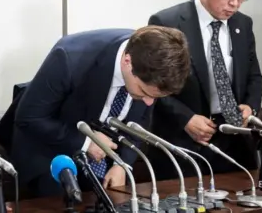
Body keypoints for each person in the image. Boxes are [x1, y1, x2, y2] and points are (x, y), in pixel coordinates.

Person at [10, 26, 191, 198]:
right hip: (50, 153)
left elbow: (138, 124)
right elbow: (29, 118)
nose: (149, 102)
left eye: (155, 97)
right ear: (128, 62)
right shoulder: (69, 58)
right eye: (144, 92)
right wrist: (86, 143)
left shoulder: (151, 62)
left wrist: (123, 164)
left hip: (103, 159)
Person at [147, 0, 262, 180]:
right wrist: (186, 118)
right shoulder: (167, 22)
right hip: (183, 141)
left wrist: (249, 107)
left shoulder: (243, 24)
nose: (234, 3)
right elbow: (150, 85)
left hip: (233, 139)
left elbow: (254, 76)